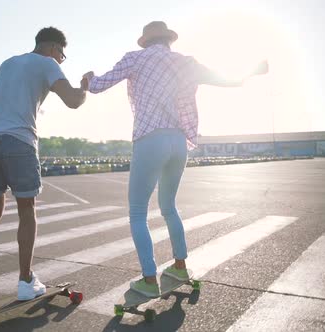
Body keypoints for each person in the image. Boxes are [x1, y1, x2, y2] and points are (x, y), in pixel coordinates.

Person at [81, 21, 268, 298]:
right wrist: (251, 71)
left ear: (145, 41)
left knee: (137, 212)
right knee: (169, 206)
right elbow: (228, 79)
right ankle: (180, 266)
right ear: (169, 41)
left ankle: (148, 279)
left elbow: (97, 86)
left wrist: (88, 78)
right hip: (179, 141)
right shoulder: (185, 62)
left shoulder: (135, 58)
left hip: (150, 139)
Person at [0, 27, 87, 302]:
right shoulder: (47, 63)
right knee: (26, 209)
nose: (61, 59)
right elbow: (73, 101)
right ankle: (26, 279)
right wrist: (84, 89)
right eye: (62, 55)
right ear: (55, 48)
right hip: (18, 140)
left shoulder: (7, 63)